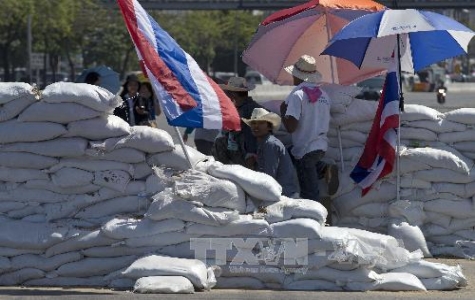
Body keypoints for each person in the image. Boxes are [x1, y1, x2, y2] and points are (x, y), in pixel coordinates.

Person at [279, 54, 339, 203]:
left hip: (305, 148)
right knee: (287, 155)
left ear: (298, 76)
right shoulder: (323, 95)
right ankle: (324, 168)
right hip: (320, 145)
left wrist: (282, 111)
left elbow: (291, 127)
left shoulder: (297, 95)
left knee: (309, 192)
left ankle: (315, 218)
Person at [242, 107, 299, 198]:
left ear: (269, 127)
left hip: (282, 194)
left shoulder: (270, 144)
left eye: (261, 123)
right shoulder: (263, 143)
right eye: (253, 123)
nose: (256, 126)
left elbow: (269, 177)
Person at [212, 76, 262, 168]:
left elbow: (250, 135)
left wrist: (250, 155)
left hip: (248, 155)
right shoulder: (251, 107)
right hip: (248, 152)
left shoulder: (246, 111)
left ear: (233, 95)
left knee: (219, 143)